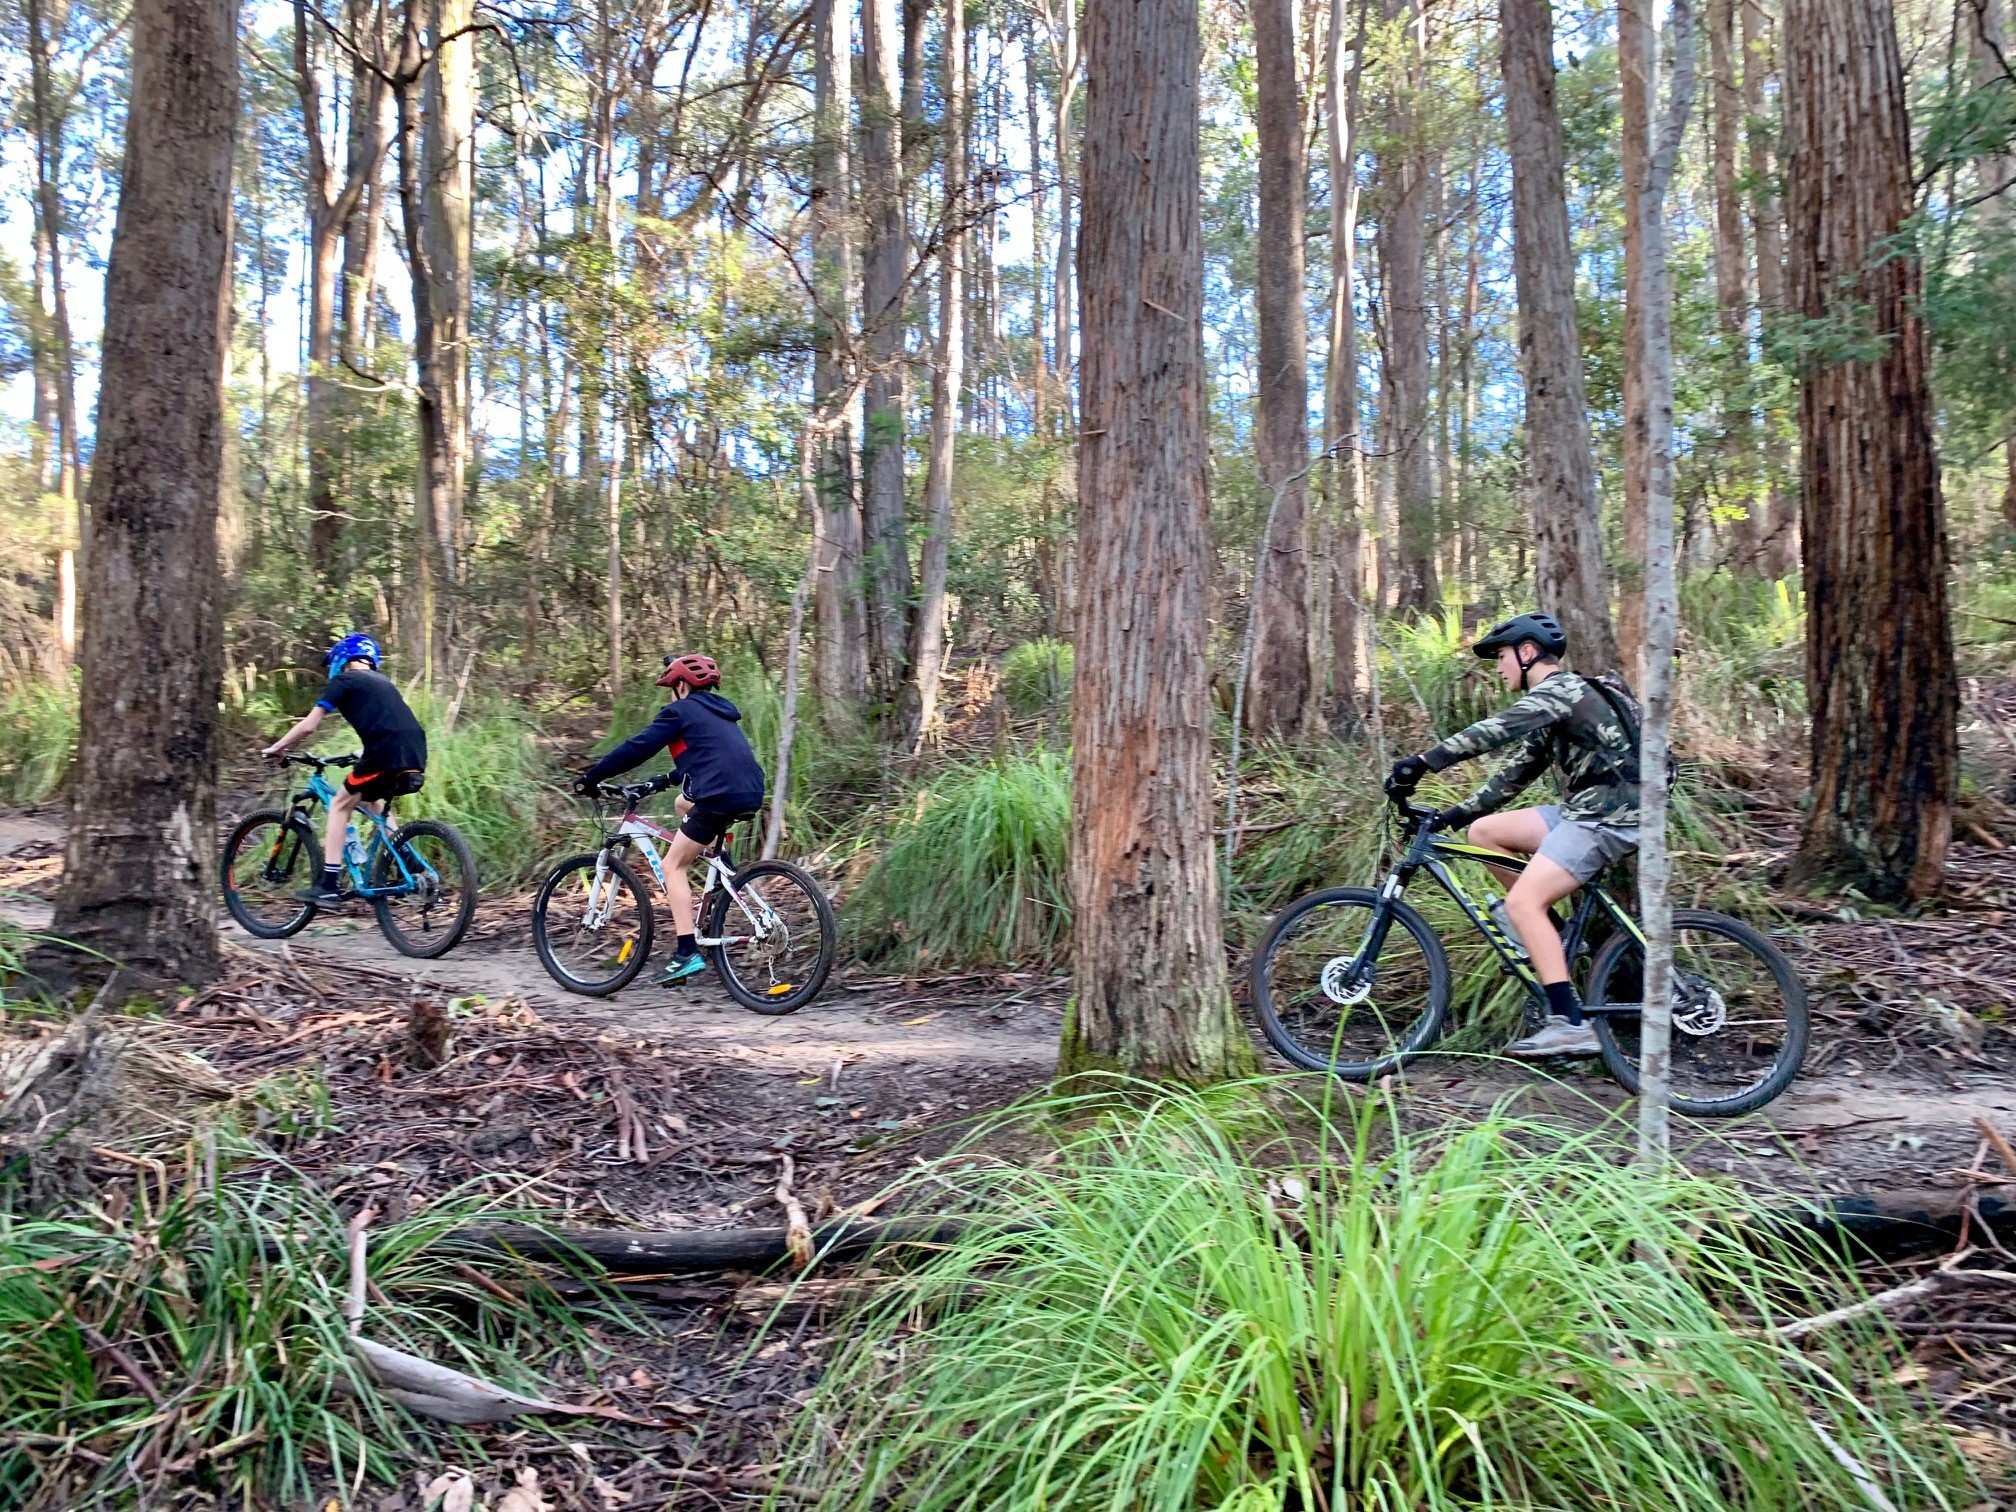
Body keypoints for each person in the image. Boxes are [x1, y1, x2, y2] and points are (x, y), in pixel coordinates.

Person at [1384, 611, 1641, 1058]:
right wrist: (1455, 816)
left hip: (1611, 815)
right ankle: (1554, 937)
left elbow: (1494, 732)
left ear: (1527, 653)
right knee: (1485, 833)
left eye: (1501, 656)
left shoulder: (1559, 691)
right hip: (1591, 809)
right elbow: (1513, 776)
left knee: (1523, 902)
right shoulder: (1561, 708)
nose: (1499, 667)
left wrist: (1422, 763)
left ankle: (1570, 1023)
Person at [575, 652, 767, 987]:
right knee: (682, 803)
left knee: (672, 866)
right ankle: (720, 863)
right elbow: (703, 760)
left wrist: (593, 776)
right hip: (747, 790)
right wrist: (662, 781)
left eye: (670, 687)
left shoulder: (679, 711)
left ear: (681, 685)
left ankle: (685, 953)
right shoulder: (721, 714)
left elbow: (638, 747)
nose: (669, 694)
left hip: (717, 795)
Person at [262, 633, 428, 906]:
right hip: (415, 752)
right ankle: (407, 862)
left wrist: (277, 748)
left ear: (342, 659)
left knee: (340, 804)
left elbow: (309, 726)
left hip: (384, 752)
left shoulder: (344, 680)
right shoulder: (383, 683)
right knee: (373, 801)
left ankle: (328, 884)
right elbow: (392, 724)